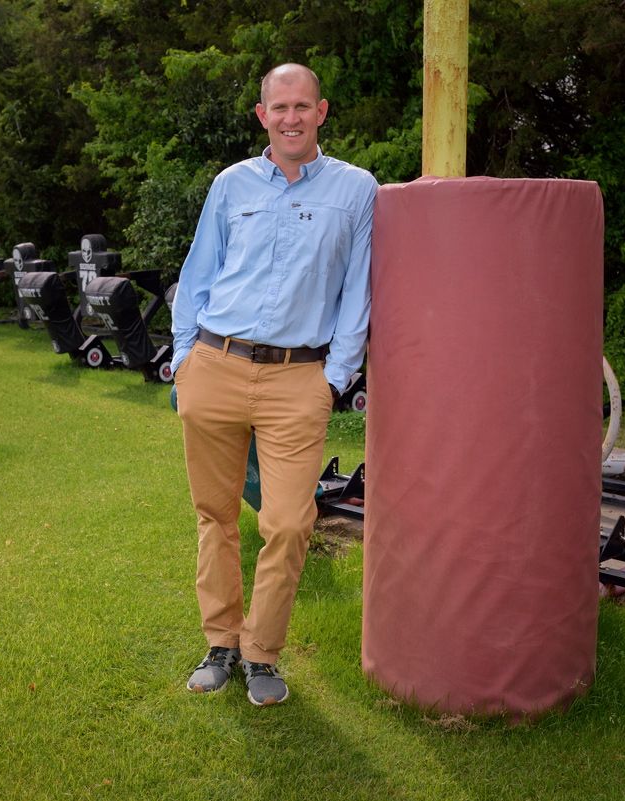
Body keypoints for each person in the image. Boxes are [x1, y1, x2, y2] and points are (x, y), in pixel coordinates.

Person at [171, 63, 378, 706]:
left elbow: (359, 289)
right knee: (217, 517)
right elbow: (199, 270)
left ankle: (263, 653)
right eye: (279, 107)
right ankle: (222, 645)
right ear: (263, 116)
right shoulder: (231, 184)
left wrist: (335, 378)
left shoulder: (356, 189)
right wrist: (183, 359)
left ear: (322, 112)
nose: (291, 117)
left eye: (303, 106)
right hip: (216, 363)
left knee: (288, 522)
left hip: (299, 379)